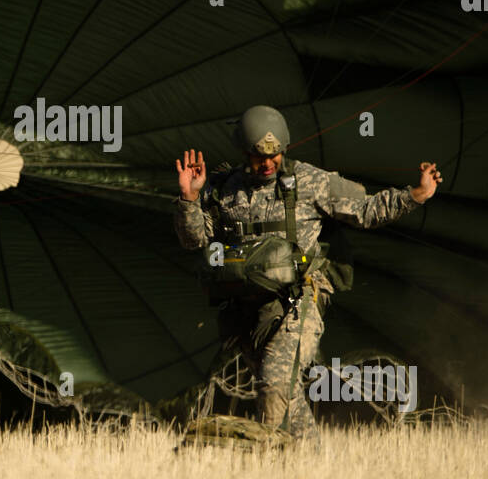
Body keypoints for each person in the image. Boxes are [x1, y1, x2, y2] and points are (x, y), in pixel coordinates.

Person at [173, 105, 442, 445]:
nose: (268, 163)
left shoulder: (310, 182)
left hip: (295, 305)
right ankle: (311, 469)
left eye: (275, 155)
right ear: (244, 152)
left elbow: (365, 210)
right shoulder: (225, 189)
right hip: (247, 315)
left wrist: (415, 195)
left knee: (274, 387)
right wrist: (190, 197)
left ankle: (266, 472)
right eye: (259, 156)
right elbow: (193, 239)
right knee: (289, 400)